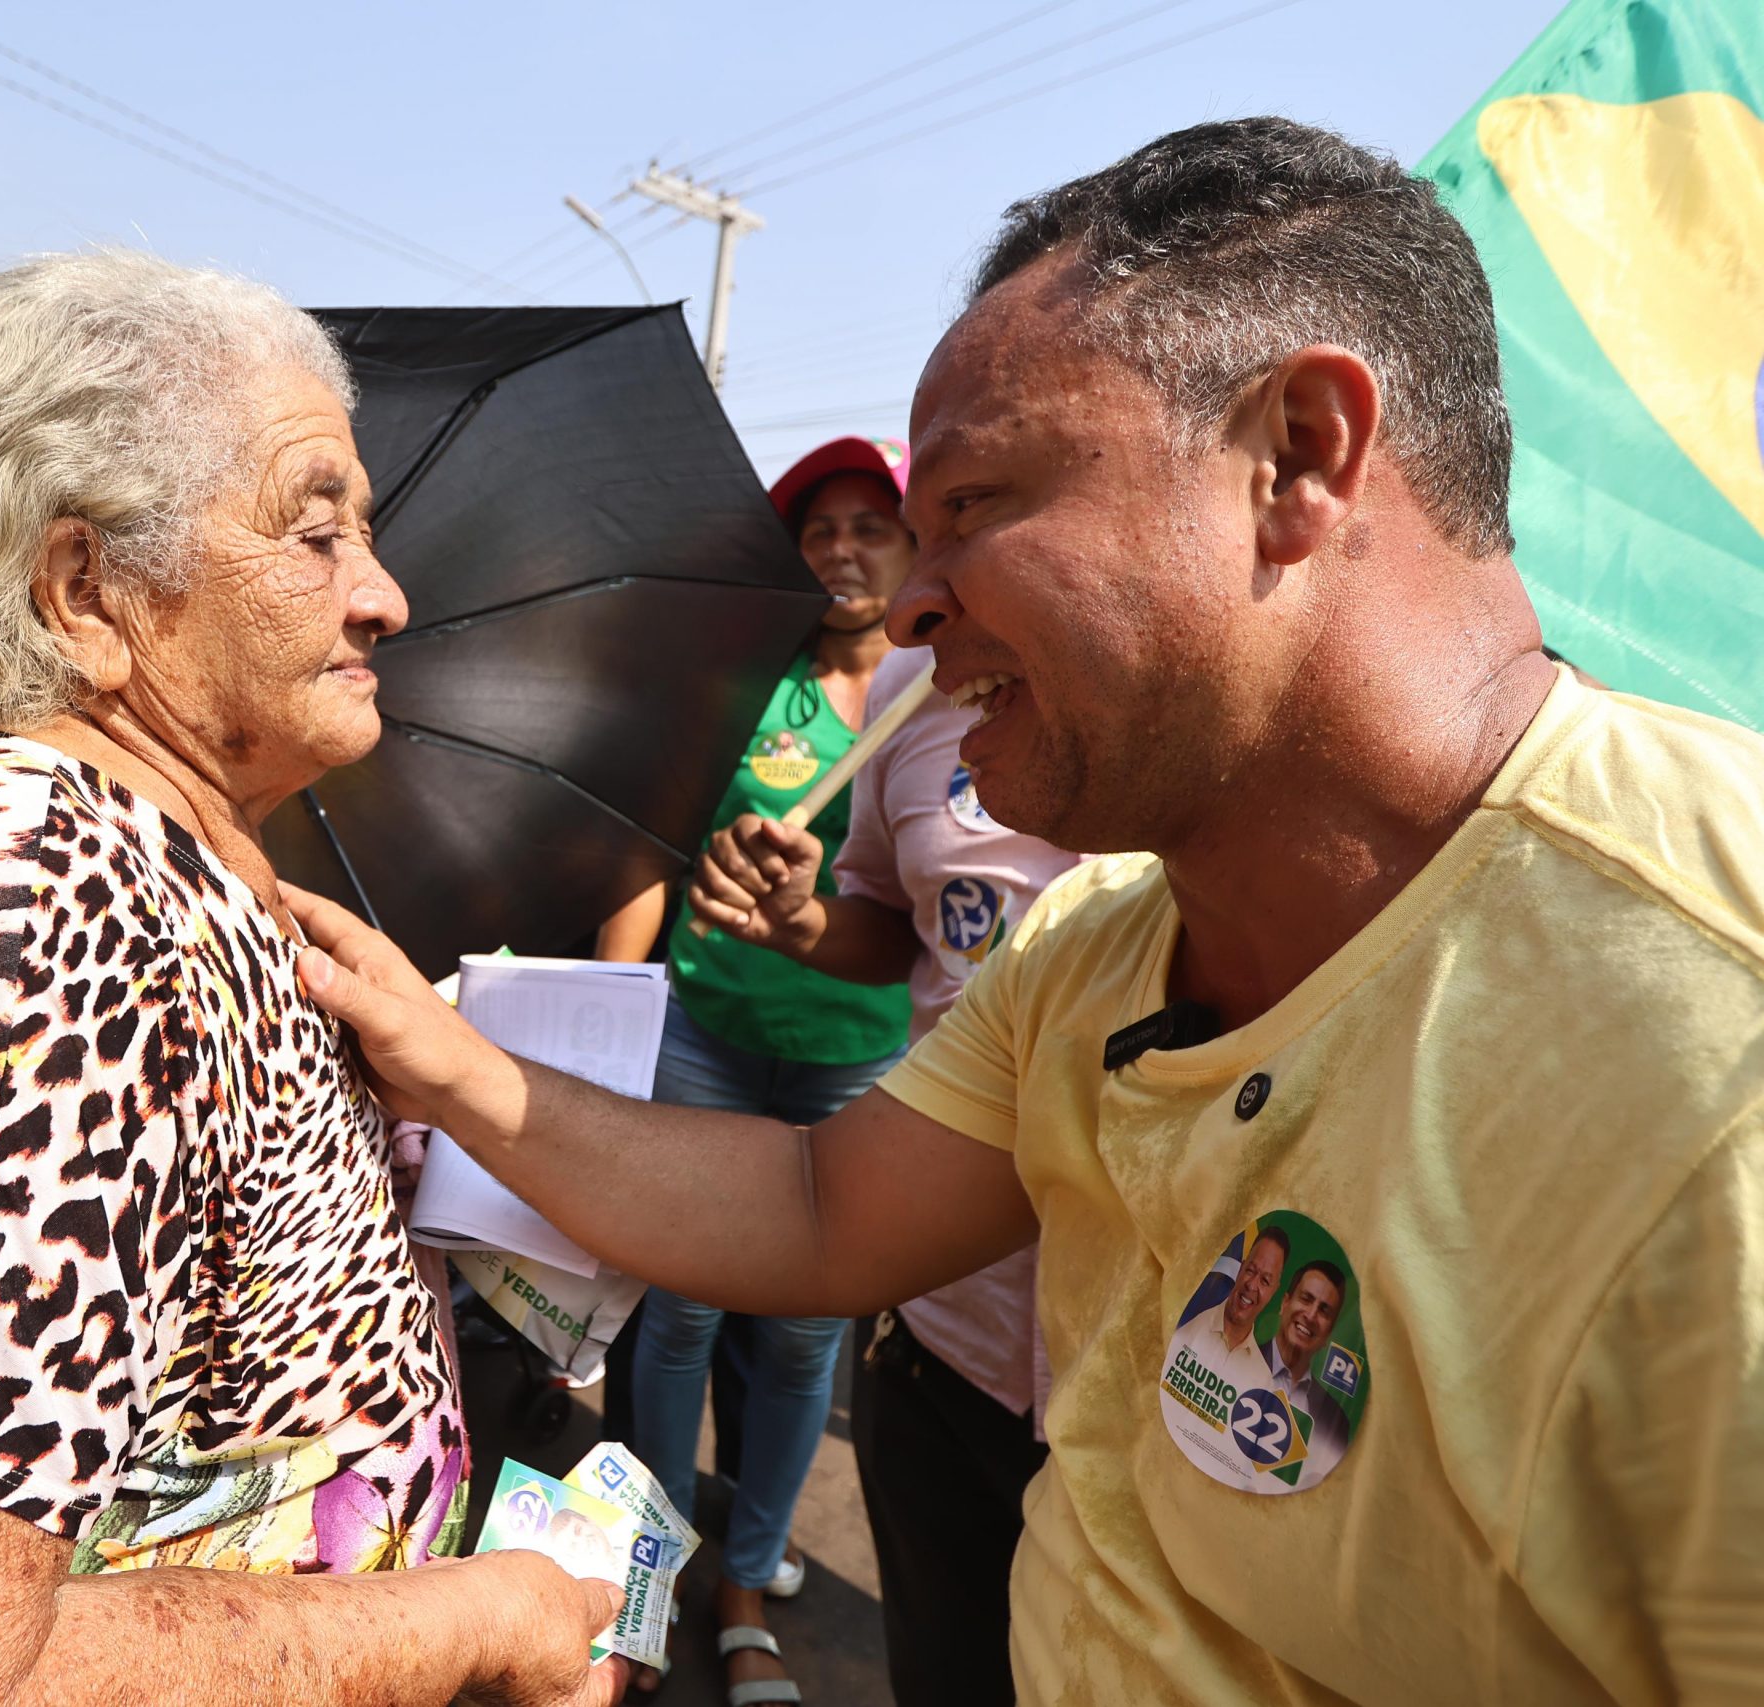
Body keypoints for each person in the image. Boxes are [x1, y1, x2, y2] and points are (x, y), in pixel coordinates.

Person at [284, 117, 1764, 1704]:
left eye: (976, 506)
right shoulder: (1098, 950)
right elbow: (817, 1207)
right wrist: (441, 1056)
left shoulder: (1710, 1045)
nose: (912, 603)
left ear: (1301, 456)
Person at [0, 251, 626, 1707]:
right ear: (84, 588)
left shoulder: (145, 860)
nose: (386, 594)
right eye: (314, 532)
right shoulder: (2, 920)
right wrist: (474, 1618)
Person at [685, 586, 1080, 1703]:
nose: (919, 589)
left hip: (1145, 1366)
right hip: (941, 1332)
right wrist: (799, 921)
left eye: (974, 505)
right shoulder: (910, 695)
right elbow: (887, 922)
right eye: (928, 515)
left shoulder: (1210, 715)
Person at [592, 435, 915, 1703]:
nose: (840, 550)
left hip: (856, 1062)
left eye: (867, 526)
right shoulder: (745, 686)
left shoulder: (944, 697)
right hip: (708, 1042)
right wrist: (620, 1014)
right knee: (676, 1320)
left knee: (799, 1340)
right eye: (817, 530)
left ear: (910, 546)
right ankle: (653, 1575)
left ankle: (750, 1582)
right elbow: (649, 854)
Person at [1160, 1225, 1285, 1406]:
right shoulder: (1185, 1323)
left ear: (1274, 1291)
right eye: (1250, 1270)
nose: (1252, 1285)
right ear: (1241, 1269)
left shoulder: (1263, 1380)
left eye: (1265, 1281)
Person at [1258, 1260, 1352, 1490]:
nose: (1310, 1315)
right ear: (1285, 1303)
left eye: (1324, 1311)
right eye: (1306, 1299)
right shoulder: (1235, 1358)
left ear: (1329, 1332)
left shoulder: (1335, 1423)